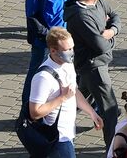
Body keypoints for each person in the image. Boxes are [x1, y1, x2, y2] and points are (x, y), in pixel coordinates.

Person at [64, 0, 122, 146]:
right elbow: (100, 47)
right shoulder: (81, 16)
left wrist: (111, 30)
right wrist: (109, 38)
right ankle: (113, 150)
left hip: (90, 65)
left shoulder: (98, 2)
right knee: (110, 111)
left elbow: (115, 16)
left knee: (79, 99)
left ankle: (54, 122)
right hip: (94, 67)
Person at [26, 26, 105, 157]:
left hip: (68, 133)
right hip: (56, 138)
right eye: (67, 50)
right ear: (53, 50)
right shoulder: (43, 78)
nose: (72, 52)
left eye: (72, 48)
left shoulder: (67, 65)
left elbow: (73, 92)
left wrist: (92, 113)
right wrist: (62, 97)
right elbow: (34, 113)